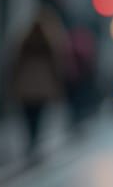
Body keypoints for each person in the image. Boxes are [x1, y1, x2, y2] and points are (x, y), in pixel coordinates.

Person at [8, 9, 69, 155]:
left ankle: (31, 137)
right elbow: (57, 65)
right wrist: (57, 84)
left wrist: (14, 81)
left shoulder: (25, 40)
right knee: (38, 113)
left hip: (26, 84)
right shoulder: (50, 42)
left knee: (28, 112)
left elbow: (14, 63)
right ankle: (34, 138)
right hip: (43, 85)